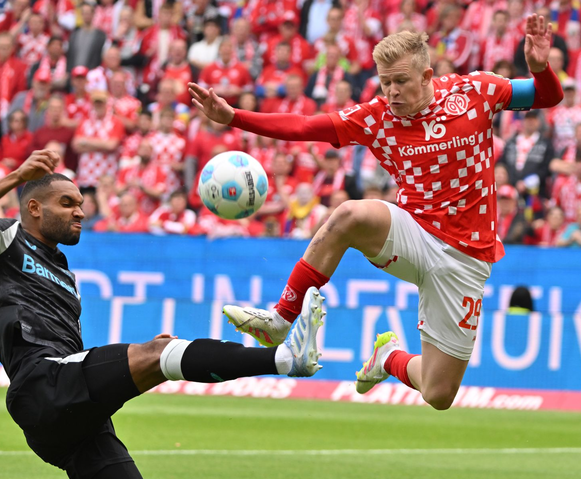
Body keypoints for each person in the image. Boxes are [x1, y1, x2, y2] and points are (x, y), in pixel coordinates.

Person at [0, 150, 325, 479]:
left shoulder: (64, 273)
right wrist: (16, 175)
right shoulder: (2, 241)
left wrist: (140, 361)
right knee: (160, 355)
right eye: (67, 203)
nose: (80, 211)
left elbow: (73, 348)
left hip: (71, 412)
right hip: (42, 383)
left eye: (81, 203)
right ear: (34, 208)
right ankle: (285, 358)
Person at [189, 14, 562, 410]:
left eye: (401, 80)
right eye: (385, 82)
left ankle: (388, 357)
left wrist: (540, 68)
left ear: (427, 75)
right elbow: (303, 125)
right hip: (413, 232)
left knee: (438, 393)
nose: (392, 91)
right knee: (349, 216)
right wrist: (234, 117)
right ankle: (280, 321)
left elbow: (547, 96)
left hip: (466, 257)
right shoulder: (377, 117)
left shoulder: (475, 91)